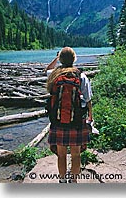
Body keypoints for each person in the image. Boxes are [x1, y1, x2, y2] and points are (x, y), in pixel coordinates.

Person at [46, 47, 93, 183]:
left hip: (58, 121)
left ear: (60, 59)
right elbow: (88, 99)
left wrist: (56, 58)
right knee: (76, 155)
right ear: (74, 59)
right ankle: (73, 182)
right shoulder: (81, 76)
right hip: (76, 121)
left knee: (61, 155)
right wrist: (90, 116)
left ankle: (62, 180)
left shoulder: (54, 74)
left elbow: (47, 69)